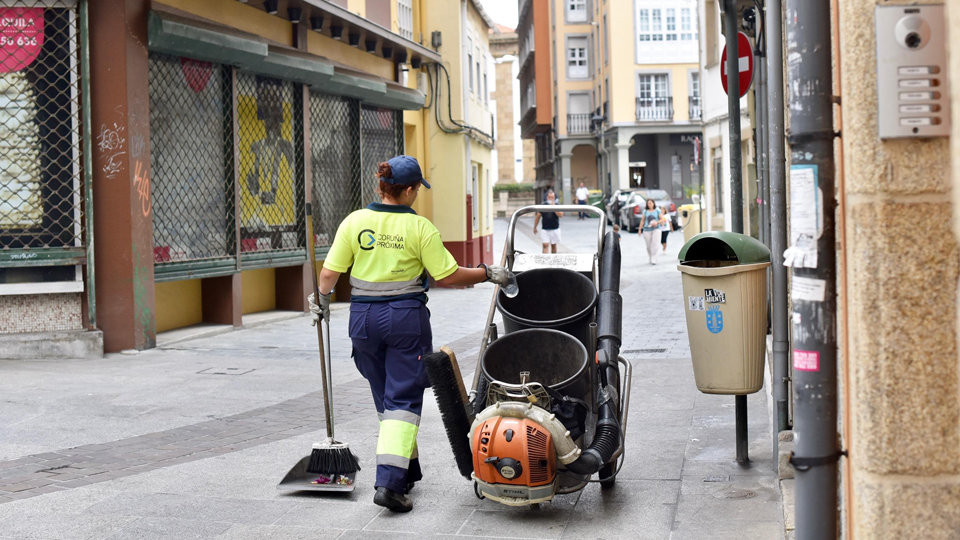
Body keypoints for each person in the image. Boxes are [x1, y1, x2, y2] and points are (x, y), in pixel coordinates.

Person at [308, 155, 515, 513]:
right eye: (417, 188)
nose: (418, 193)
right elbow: (447, 275)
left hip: (363, 321)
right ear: (407, 190)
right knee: (402, 402)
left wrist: (322, 302)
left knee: (387, 396)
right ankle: (388, 484)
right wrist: (486, 272)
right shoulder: (420, 228)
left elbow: (328, 275)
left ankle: (406, 471)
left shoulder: (355, 221)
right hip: (404, 318)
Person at [532, 189, 564, 253]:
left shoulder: (557, 205)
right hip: (545, 229)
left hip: (555, 229)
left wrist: (554, 207)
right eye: (549, 197)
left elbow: (560, 215)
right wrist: (535, 227)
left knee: (553, 245)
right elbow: (538, 216)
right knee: (545, 245)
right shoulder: (543, 205)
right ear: (547, 197)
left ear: (555, 198)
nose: (551, 199)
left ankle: (553, 260)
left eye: (552, 197)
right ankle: (545, 260)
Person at [640, 198, 661, 264]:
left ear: (653, 203)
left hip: (656, 229)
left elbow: (663, 219)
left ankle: (654, 258)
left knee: (655, 244)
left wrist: (656, 223)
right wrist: (640, 229)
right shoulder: (645, 211)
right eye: (648, 203)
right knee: (648, 245)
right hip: (646, 230)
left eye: (651, 203)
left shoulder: (657, 210)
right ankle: (650, 256)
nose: (649, 204)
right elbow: (642, 220)